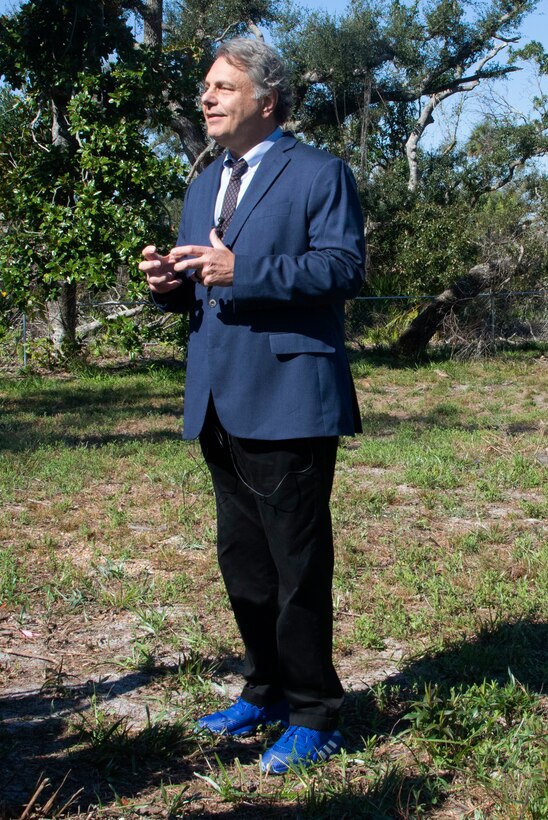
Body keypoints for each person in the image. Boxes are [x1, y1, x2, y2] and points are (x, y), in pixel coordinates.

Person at [139, 38, 365, 774]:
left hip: (290, 396)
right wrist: (168, 284)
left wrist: (246, 270)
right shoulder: (205, 184)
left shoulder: (320, 173)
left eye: (223, 87)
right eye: (206, 87)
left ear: (266, 100)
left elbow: (341, 268)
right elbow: (204, 281)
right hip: (217, 397)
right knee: (243, 563)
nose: (206, 98)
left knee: (297, 565)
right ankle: (265, 689)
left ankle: (315, 712)